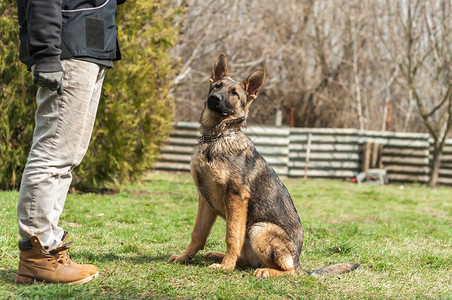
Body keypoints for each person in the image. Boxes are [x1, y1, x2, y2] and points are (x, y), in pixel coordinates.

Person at [15, 0, 126, 284]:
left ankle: (49, 246)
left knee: (69, 155)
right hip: (68, 47)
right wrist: (46, 54)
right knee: (54, 152)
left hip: (91, 46)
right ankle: (35, 255)